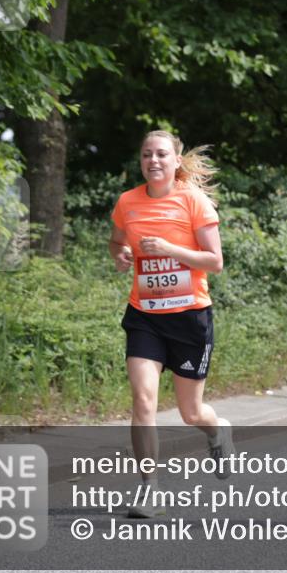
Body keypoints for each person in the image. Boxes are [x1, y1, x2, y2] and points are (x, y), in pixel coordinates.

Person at [109, 130, 234, 517]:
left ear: (176, 160)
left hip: (189, 318)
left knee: (190, 412)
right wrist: (123, 254)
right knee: (143, 399)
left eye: (162, 154)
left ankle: (216, 431)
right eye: (147, 154)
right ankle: (150, 488)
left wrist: (170, 250)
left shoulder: (193, 201)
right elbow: (116, 242)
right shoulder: (128, 202)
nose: (154, 160)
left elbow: (215, 261)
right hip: (145, 315)